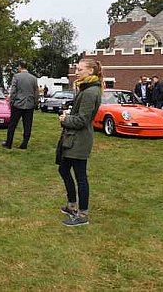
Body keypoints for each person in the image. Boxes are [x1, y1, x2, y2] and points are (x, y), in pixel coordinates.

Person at [56, 58, 103, 227]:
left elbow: (82, 120)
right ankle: (71, 205)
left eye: (80, 69)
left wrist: (65, 119)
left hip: (79, 140)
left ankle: (83, 214)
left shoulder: (91, 92)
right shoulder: (86, 89)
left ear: (90, 71)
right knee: (63, 169)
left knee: (81, 177)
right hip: (73, 139)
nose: (77, 72)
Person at [2, 61, 39, 150]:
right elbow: (36, 93)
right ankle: (24, 144)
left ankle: (9, 143)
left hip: (17, 104)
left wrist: (11, 103)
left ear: (19, 67)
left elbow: (13, 92)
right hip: (29, 105)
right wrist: (35, 103)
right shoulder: (33, 78)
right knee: (27, 125)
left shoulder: (16, 77)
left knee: (12, 125)